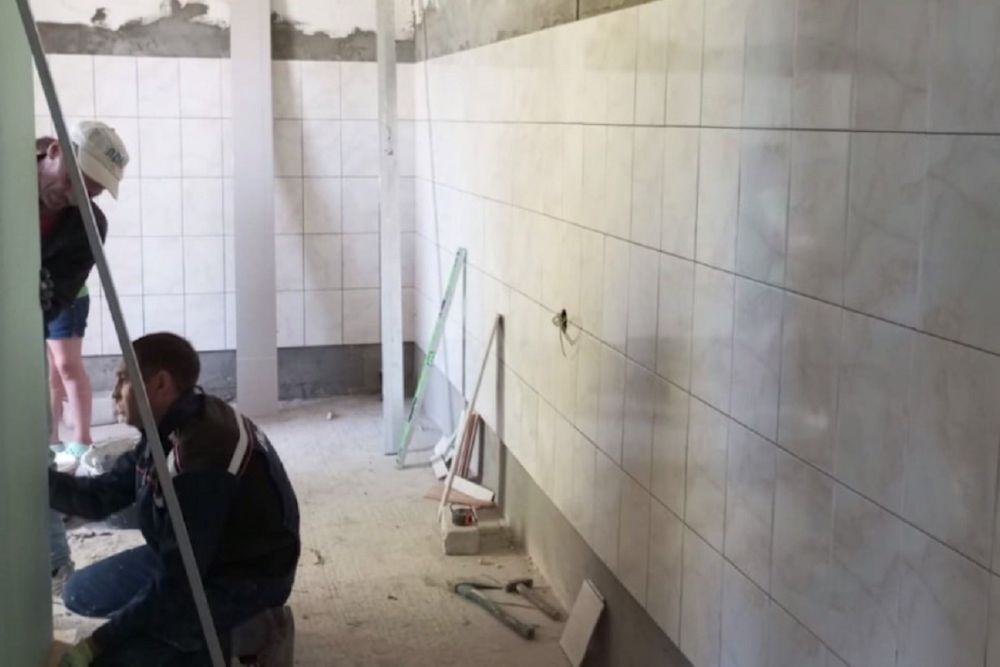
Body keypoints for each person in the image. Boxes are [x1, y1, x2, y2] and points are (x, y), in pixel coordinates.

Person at [52, 333, 301, 667]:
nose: (114, 393)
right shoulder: (170, 425)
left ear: (160, 384)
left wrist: (99, 643)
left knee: (119, 659)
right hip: (201, 555)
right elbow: (100, 497)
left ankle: (254, 630)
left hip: (245, 576)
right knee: (80, 592)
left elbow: (177, 583)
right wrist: (37, 480)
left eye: (123, 379)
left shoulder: (201, 459)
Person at [38, 121, 130, 593]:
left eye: (90, 191)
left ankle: (55, 566)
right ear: (54, 150)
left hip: (21, 341)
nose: (75, 197)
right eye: (74, 182)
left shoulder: (90, 224)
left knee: (32, 454)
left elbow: (54, 301)